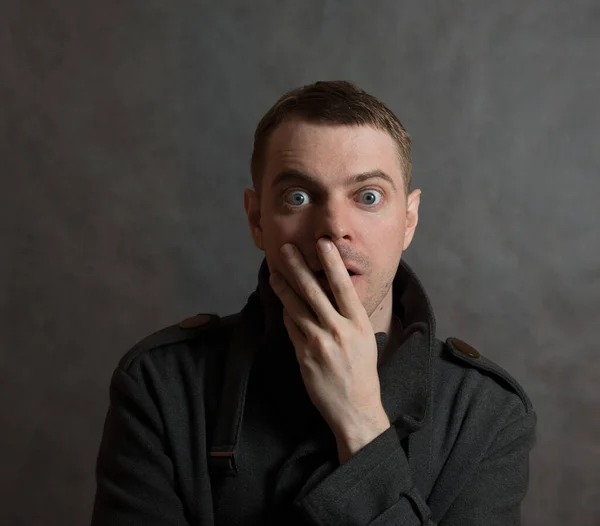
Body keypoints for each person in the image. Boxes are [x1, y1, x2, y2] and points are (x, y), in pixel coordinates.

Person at [91, 80, 536, 525]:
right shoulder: (162, 386)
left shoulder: (485, 413)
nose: (333, 228)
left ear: (409, 220)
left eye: (368, 196)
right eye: (298, 197)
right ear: (256, 219)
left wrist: (360, 422)